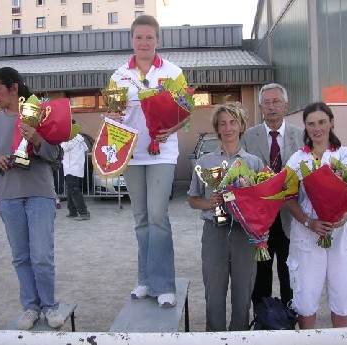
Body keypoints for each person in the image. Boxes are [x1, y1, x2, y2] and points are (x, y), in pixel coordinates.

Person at [107, 15, 189, 307]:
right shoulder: (118, 76)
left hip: (162, 153)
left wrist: (173, 128)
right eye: (139, 37)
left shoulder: (173, 72)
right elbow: (113, 113)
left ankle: (164, 283)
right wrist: (112, 117)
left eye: (149, 37)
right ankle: (145, 280)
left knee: (157, 215)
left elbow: (184, 112)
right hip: (131, 153)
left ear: (158, 40)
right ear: (132, 40)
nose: (144, 42)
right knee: (140, 218)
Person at [0, 67, 65, 330]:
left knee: (42, 255)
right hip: (8, 197)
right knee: (20, 256)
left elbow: (56, 156)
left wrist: (39, 140)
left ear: (14, 88)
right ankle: (30, 307)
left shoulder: (41, 113)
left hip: (40, 193)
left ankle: (50, 307)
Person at [285, 101, 347, 329]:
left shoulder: (346, 156)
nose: (317, 128)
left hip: (339, 234)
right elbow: (288, 199)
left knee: (342, 292)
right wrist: (309, 222)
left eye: (321, 122)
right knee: (306, 295)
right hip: (308, 235)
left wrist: (344, 217)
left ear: (331, 123)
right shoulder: (297, 160)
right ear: (305, 127)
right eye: (311, 124)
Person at [188, 103, 263, 331]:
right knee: (214, 292)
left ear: (241, 126)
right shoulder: (205, 162)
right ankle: (215, 336)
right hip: (214, 232)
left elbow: (262, 203)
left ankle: (240, 335)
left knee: (243, 292)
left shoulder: (254, 163)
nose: (228, 128)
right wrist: (209, 203)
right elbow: (193, 199)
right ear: (217, 129)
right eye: (222, 124)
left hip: (244, 234)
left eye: (232, 122)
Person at [240, 83, 303, 308]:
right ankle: (262, 323)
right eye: (266, 102)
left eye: (276, 102)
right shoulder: (248, 136)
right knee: (261, 279)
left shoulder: (301, 135)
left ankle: (290, 323)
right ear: (260, 107)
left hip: (291, 217)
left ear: (285, 106)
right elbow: (243, 175)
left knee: (291, 278)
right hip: (260, 222)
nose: (272, 107)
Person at [61, 133, 90, 220]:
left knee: (74, 190)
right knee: (70, 190)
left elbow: (65, 147)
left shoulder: (72, 138)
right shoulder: (80, 138)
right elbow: (86, 148)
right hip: (74, 167)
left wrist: (58, 140)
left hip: (72, 167)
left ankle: (83, 212)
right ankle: (72, 211)